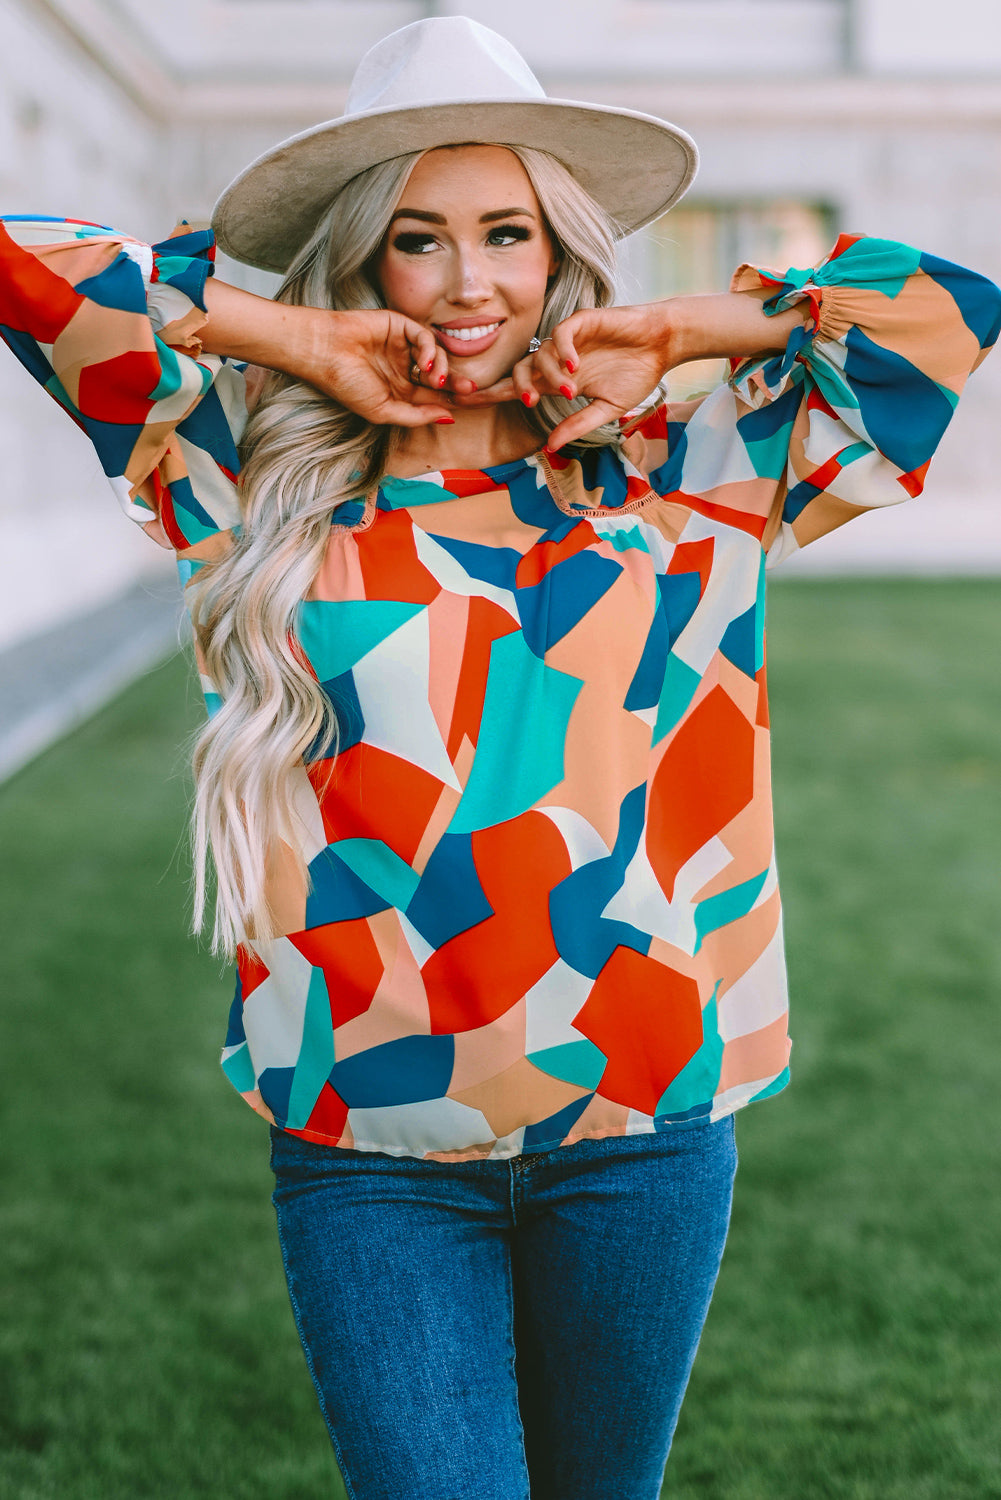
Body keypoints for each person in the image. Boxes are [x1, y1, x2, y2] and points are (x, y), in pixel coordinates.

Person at [1, 15, 998, 1500]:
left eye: (506, 233)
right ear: (363, 261)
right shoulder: (244, 465)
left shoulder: (681, 465)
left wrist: (687, 331)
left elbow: (941, 313)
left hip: (640, 1134)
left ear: (556, 250)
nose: (470, 282)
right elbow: (30, 266)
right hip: (369, 1151)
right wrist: (285, 334)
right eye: (416, 239)